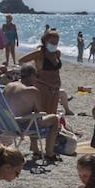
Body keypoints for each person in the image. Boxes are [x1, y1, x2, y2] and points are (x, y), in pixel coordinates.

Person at [19, 28, 64, 161]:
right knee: (39, 118)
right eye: (52, 41)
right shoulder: (40, 54)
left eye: (57, 41)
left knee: (51, 119)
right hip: (43, 88)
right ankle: (35, 147)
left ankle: (47, 147)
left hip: (55, 90)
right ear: (45, 41)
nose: (55, 43)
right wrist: (34, 74)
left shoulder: (57, 53)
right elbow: (22, 60)